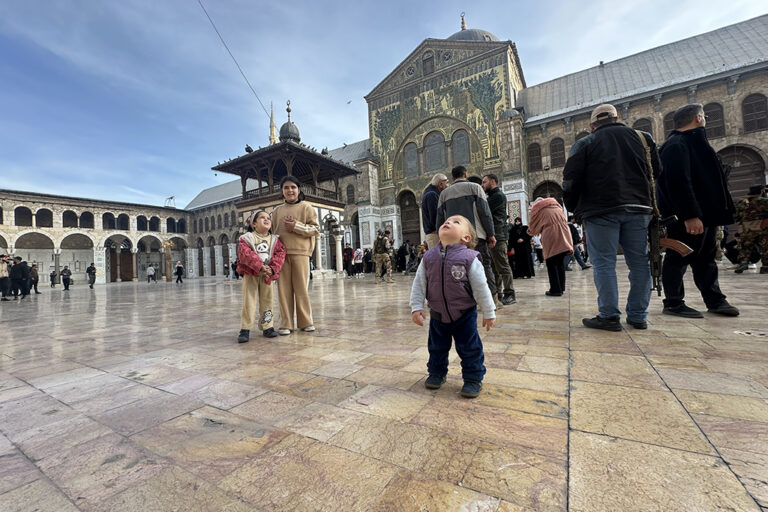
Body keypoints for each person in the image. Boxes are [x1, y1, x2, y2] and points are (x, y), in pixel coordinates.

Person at [563, 103, 658, 331]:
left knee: (604, 262)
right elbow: (657, 172)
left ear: (592, 125)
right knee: (640, 262)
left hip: (600, 210)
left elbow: (570, 181)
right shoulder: (643, 138)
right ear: (617, 119)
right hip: (638, 207)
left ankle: (609, 315)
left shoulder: (585, 143)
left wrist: (574, 208)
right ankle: (638, 315)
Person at [657, 103, 739, 317]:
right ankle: (673, 302)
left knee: (706, 258)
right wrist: (690, 215)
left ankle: (715, 300)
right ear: (698, 118)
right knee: (678, 257)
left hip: (705, 215)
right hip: (687, 217)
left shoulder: (694, 144)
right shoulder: (676, 145)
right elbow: (678, 183)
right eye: (704, 116)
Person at [410, 215, 495, 399]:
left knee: (470, 347)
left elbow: (481, 287)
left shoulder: (469, 258)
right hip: (438, 314)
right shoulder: (429, 257)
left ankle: (473, 378)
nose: (448, 222)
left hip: (464, 314)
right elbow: (419, 284)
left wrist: (488, 311)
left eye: (456, 222)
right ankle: (436, 373)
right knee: (436, 347)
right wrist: (416, 306)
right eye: (446, 221)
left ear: (466, 238)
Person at [437, 165, 497, 299]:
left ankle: (464, 299)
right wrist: (491, 234)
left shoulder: (444, 194)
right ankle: (492, 299)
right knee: (484, 266)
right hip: (476, 236)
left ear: (452, 178)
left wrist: (442, 239)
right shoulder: (475, 188)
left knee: (459, 269)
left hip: (454, 240)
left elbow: (440, 219)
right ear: (465, 175)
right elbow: (485, 213)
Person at [271, 175, 320, 335]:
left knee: (301, 289)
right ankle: (286, 324)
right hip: (281, 256)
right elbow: (271, 233)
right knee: (283, 291)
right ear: (282, 191)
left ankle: (306, 321)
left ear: (299, 190)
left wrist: (297, 226)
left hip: (301, 254)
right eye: (286, 188)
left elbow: (316, 229)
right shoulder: (277, 211)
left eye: (293, 187)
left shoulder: (307, 208)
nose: (290, 190)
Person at [236, 210, 286, 343]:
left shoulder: (275, 240)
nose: (266, 219)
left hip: (267, 275)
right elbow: (245, 254)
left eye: (268, 218)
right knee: (249, 301)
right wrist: (259, 266)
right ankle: (245, 329)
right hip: (251, 274)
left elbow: (280, 254)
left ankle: (267, 326)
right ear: (253, 224)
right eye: (262, 218)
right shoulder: (247, 238)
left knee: (268, 300)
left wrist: (272, 268)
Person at [482, 173, 516, 305]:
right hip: (494, 236)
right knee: (494, 267)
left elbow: (484, 210)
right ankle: (498, 293)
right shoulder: (492, 196)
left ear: (493, 182)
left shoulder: (497, 196)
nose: (482, 185)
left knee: (502, 266)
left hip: (499, 236)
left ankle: (510, 294)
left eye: (484, 182)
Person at [528, 198, 573, 297]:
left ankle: (555, 289)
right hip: (564, 234)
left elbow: (533, 228)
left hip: (551, 235)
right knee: (560, 262)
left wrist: (531, 231)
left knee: (551, 262)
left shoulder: (540, 210)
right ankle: (561, 287)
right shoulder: (557, 207)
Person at [734, 185, 768, 274]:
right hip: (761, 227)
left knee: (745, 246)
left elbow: (735, 217)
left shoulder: (742, 202)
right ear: (761, 192)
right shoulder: (763, 201)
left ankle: (743, 263)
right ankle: (765, 267)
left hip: (745, 228)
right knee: (765, 247)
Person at [422, 173, 450, 250]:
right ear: (440, 184)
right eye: (447, 182)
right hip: (435, 235)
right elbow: (435, 217)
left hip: (435, 234)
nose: (448, 185)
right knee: (438, 260)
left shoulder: (432, 193)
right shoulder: (432, 194)